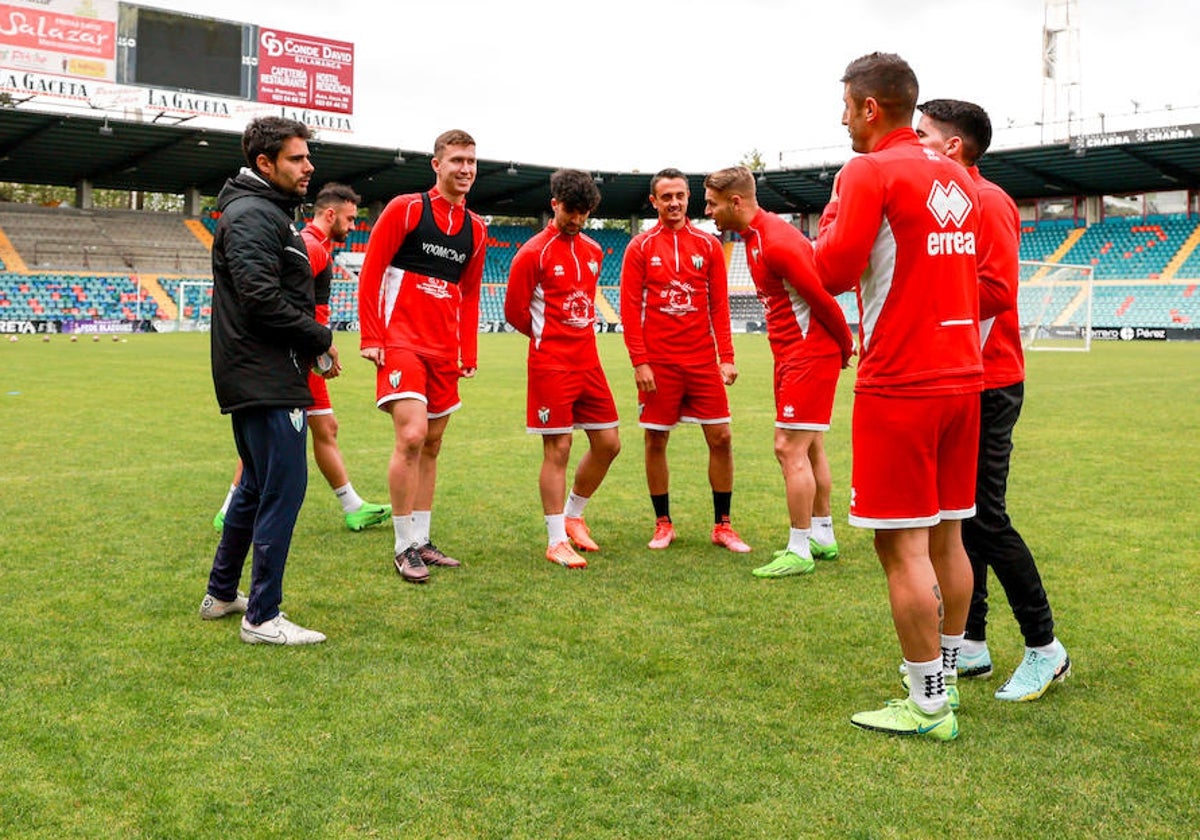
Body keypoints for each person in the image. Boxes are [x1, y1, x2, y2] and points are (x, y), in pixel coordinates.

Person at [813, 52, 983, 739]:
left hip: (901, 381)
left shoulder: (868, 170)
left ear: (870, 107)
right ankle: (945, 676)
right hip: (963, 379)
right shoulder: (959, 176)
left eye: (846, 105)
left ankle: (927, 704)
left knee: (901, 549)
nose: (841, 117)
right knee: (949, 535)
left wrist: (826, 219)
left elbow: (832, 270)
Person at [914, 98, 1070, 701]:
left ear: (953, 146)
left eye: (923, 133)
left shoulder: (988, 200)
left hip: (989, 378)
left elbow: (997, 290)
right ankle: (972, 640)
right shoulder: (941, 196)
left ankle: (1045, 647)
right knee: (956, 515)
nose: (913, 140)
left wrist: (929, 323)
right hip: (955, 377)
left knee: (984, 516)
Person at [199, 115, 331, 645]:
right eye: (297, 159)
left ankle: (222, 592)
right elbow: (260, 297)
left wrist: (308, 344)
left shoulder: (262, 211)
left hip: (258, 370)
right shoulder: (255, 213)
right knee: (283, 488)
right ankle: (262, 616)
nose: (308, 167)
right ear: (264, 163)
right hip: (264, 374)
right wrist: (318, 338)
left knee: (253, 486)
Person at [212, 183, 391, 534]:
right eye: (351, 219)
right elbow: (284, 299)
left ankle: (352, 506)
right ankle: (230, 509)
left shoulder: (317, 246)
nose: (353, 227)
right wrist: (316, 345)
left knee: (323, 427)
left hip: (305, 350)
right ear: (329, 214)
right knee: (268, 437)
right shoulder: (312, 247)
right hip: (298, 355)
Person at [703, 166, 854, 578]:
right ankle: (822, 535)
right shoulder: (753, 240)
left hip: (808, 355)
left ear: (736, 202)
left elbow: (823, 299)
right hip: (791, 356)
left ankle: (799, 548)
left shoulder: (777, 241)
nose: (708, 211)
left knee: (788, 448)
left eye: (712, 204)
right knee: (810, 447)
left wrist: (843, 345)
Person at [358, 129, 487, 584]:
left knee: (432, 443)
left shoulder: (476, 228)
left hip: (442, 350)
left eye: (471, 161)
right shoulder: (407, 208)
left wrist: (466, 350)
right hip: (400, 342)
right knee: (411, 436)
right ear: (437, 164)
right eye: (456, 160)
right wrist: (371, 336)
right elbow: (372, 271)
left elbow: (468, 294)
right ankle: (401, 545)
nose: (466, 169)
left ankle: (422, 539)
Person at [619, 168, 750, 554]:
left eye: (680, 195)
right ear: (654, 202)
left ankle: (723, 525)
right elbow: (629, 310)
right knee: (655, 438)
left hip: (701, 361)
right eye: (666, 197)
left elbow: (718, 307)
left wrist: (726, 357)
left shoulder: (708, 245)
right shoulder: (640, 247)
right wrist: (639, 361)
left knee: (722, 438)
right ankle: (663, 523)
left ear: (688, 198)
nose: (674, 202)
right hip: (659, 363)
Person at [504, 168, 621, 569]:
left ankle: (573, 514)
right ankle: (555, 540)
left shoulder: (593, 250)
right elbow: (515, 313)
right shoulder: (531, 253)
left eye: (584, 212)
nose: (576, 219)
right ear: (554, 204)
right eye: (571, 210)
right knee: (560, 447)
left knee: (609, 443)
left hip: (589, 361)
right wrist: (547, 339)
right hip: (551, 364)